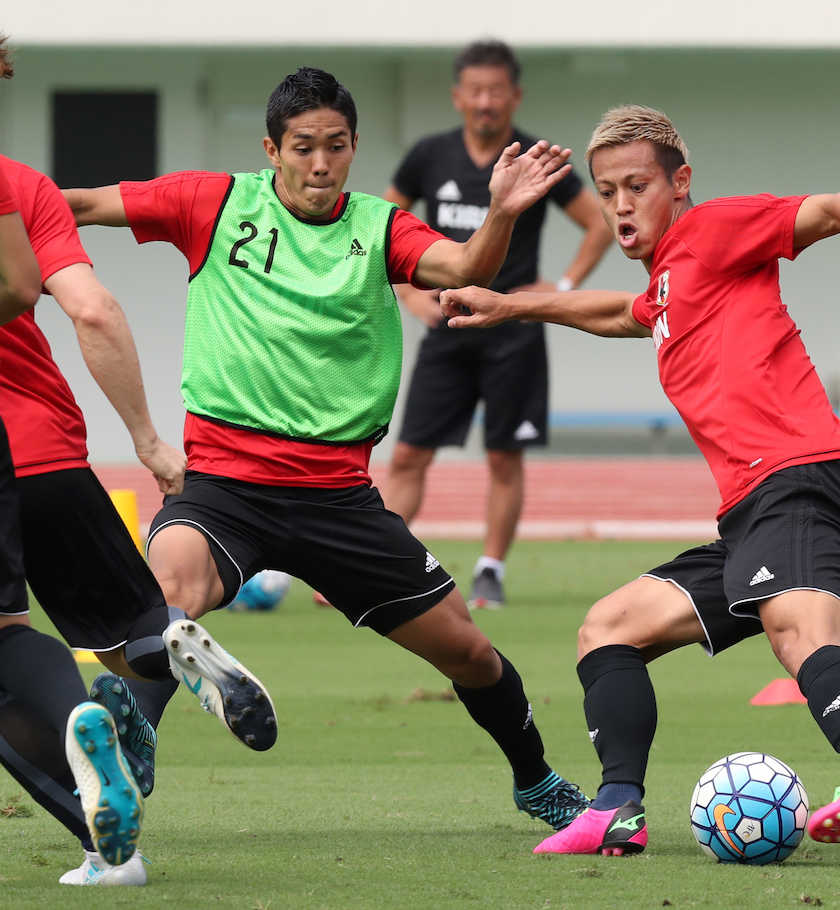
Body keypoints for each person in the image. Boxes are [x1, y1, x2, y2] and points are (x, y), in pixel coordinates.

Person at [64, 66, 590, 833]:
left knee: (471, 655)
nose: (320, 163)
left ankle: (536, 778)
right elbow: (75, 205)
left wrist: (502, 212)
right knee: (167, 599)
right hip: (223, 483)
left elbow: (469, 267)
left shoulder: (379, 228)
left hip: (338, 499)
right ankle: (134, 739)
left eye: (336, 147)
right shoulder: (210, 201)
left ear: (353, 148)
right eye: (303, 147)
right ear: (271, 149)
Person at [439, 104, 840, 856]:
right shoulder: (667, 283)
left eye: (637, 185)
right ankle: (616, 808)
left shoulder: (717, 229)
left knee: (796, 633)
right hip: (751, 511)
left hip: (803, 479)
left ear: (681, 183)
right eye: (607, 192)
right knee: (608, 630)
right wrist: (509, 303)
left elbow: (833, 207)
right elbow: (619, 312)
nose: (621, 204)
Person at [0, 35, 277, 885]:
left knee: (7, 644)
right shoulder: (23, 188)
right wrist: (150, 440)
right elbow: (94, 310)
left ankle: (102, 833)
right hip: (49, 454)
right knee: (126, 628)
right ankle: (170, 646)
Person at [381, 40, 611, 609]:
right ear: (458, 96)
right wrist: (411, 295)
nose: (486, 102)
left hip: (514, 331)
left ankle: (490, 570)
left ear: (515, 95)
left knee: (504, 458)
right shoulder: (428, 156)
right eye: (475, 91)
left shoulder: (537, 157)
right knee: (409, 453)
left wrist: (560, 288)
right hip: (449, 329)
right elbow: (383, 223)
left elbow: (599, 224)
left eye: (496, 91)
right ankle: (378, 562)